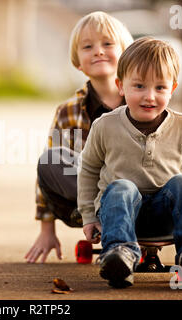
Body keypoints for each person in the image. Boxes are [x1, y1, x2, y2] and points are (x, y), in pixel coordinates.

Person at [78, 37, 182, 288]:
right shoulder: (105, 125)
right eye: (139, 86)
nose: (149, 96)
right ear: (120, 86)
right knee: (121, 186)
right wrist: (89, 216)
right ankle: (119, 255)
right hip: (119, 214)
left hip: (167, 215)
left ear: (173, 89)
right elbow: (89, 169)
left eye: (160, 88)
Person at [24, 11, 133, 264]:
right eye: (88, 46)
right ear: (77, 63)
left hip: (135, 193)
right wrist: (46, 230)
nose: (98, 51)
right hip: (86, 202)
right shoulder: (68, 111)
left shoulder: (142, 102)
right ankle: (106, 219)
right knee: (50, 160)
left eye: (107, 44)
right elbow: (48, 177)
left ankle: (126, 219)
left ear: (126, 54)